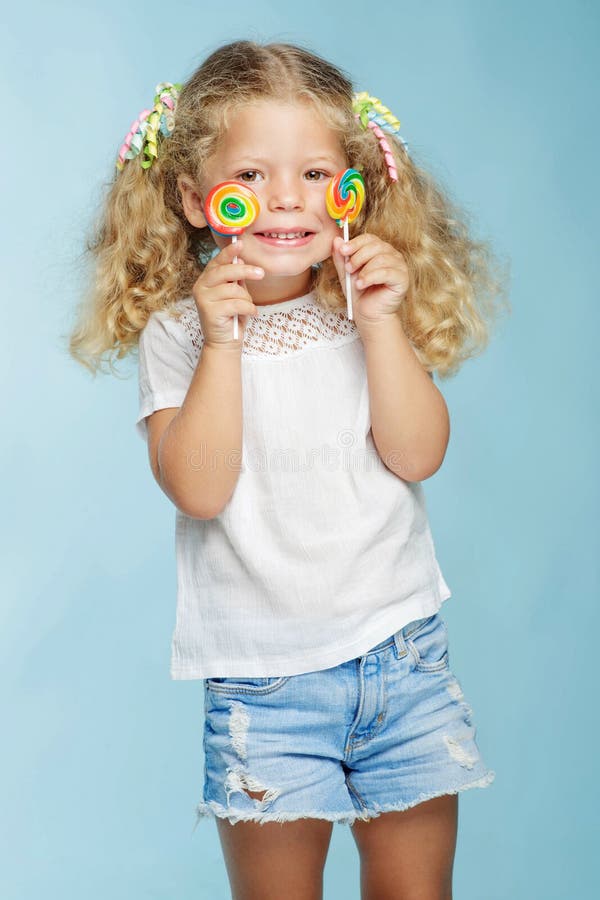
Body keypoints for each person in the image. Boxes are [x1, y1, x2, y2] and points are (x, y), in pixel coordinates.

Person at [68, 39, 510, 900]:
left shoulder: (363, 307)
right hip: (266, 684)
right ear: (201, 199)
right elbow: (199, 487)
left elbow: (418, 453)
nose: (287, 199)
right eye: (256, 175)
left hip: (403, 658)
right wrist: (222, 342)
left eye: (315, 174)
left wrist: (382, 325)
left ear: (351, 189)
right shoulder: (180, 335)